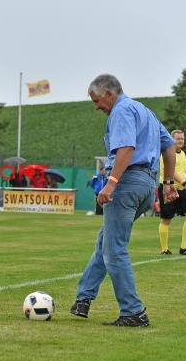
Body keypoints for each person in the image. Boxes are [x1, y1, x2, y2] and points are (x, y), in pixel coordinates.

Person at [69, 74, 177, 327]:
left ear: (109, 93)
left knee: (114, 249)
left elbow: (126, 148)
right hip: (146, 187)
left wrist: (111, 183)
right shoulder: (145, 111)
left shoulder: (122, 110)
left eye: (96, 100)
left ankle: (133, 312)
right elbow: (169, 147)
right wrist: (169, 184)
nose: (96, 106)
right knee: (105, 240)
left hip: (127, 184)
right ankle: (83, 298)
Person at [157, 129, 186, 255]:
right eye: (178, 138)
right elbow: (171, 172)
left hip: (181, 190)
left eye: (182, 139)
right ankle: (164, 250)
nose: (181, 141)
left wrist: (184, 185)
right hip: (167, 189)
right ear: (171, 139)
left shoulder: (183, 154)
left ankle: (184, 248)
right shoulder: (167, 153)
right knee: (166, 219)